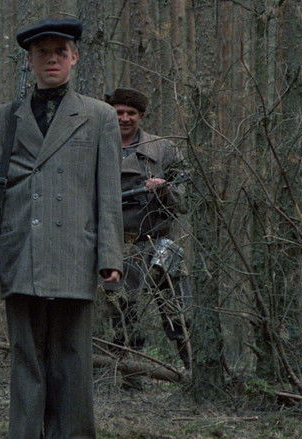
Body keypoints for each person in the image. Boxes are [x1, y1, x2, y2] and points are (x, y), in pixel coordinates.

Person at [0, 18, 124, 439]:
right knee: (26, 360)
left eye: (59, 52)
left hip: (75, 252)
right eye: (42, 53)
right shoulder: (0, 121)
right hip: (20, 253)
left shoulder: (100, 117)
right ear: (29, 61)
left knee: (72, 360)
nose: (51, 59)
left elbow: (108, 194)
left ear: (74, 58)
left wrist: (110, 256)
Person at [105, 88, 192, 381]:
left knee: (178, 312)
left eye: (131, 113)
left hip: (158, 242)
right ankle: (128, 380)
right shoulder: (97, 146)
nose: (124, 118)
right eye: (118, 112)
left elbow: (186, 197)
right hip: (115, 245)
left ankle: (194, 373)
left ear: (141, 116)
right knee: (123, 315)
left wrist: (165, 188)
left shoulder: (163, 149)